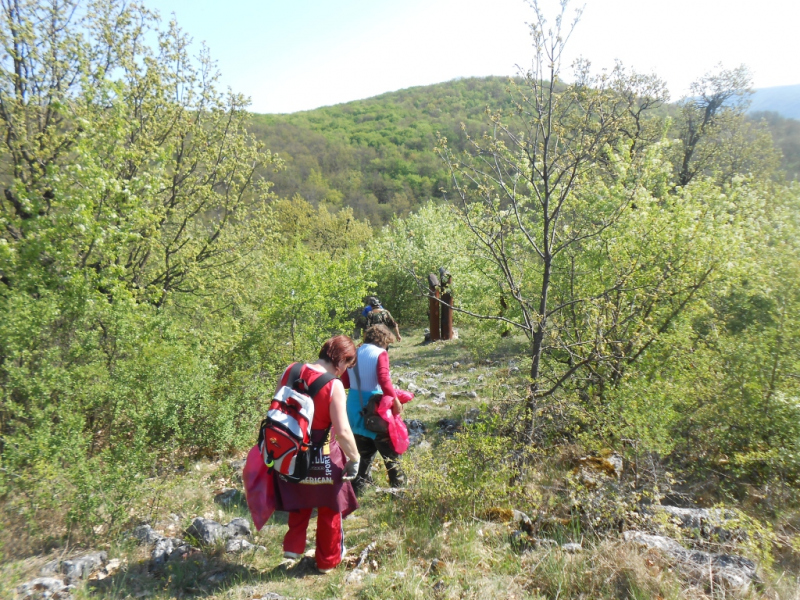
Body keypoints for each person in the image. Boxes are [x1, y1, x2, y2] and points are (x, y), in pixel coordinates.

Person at [271, 335, 361, 573]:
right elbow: (341, 431)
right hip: (321, 454)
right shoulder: (334, 385)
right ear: (341, 361)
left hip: (288, 453)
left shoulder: (291, 370)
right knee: (330, 506)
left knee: (299, 496)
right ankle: (327, 561)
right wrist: (355, 458)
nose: (345, 372)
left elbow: (278, 408)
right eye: (347, 366)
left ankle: (292, 548)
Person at [345, 324, 408, 494]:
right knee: (390, 453)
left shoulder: (354, 352)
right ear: (384, 340)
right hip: (374, 407)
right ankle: (399, 490)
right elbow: (383, 379)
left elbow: (344, 380)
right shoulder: (380, 353)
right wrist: (395, 400)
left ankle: (357, 492)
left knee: (362, 452)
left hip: (352, 404)